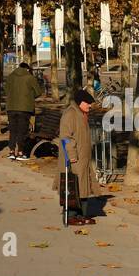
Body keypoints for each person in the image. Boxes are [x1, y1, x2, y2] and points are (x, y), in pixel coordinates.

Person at [57, 89, 100, 225]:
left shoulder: (81, 113)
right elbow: (66, 137)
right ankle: (70, 216)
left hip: (83, 157)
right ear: (80, 102)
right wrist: (72, 155)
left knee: (84, 185)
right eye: (88, 103)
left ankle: (82, 215)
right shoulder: (70, 114)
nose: (90, 106)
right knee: (73, 186)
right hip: (74, 158)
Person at [4, 61, 43, 160]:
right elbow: (38, 92)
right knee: (22, 130)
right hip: (25, 108)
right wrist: (29, 96)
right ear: (27, 69)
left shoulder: (10, 77)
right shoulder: (30, 78)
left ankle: (12, 151)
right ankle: (21, 152)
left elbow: (6, 91)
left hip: (11, 107)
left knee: (13, 130)